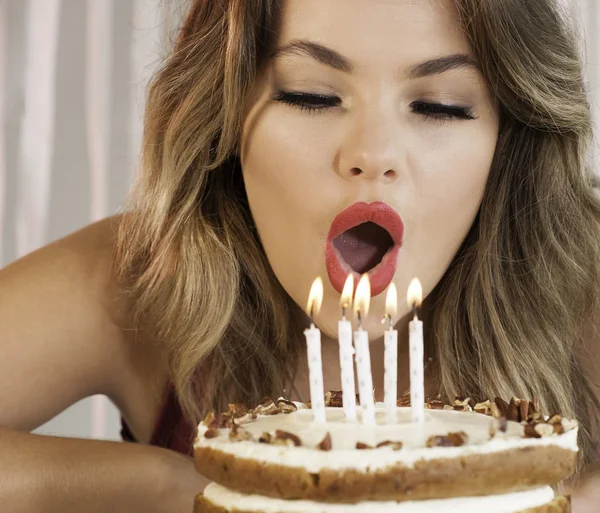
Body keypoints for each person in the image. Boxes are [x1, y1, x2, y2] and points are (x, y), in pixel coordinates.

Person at [1, 0, 599, 511]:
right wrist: (187, 489)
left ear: (509, 135)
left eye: (438, 105)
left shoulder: (586, 283)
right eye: (311, 96)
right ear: (227, 115)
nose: (373, 153)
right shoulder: (145, 273)